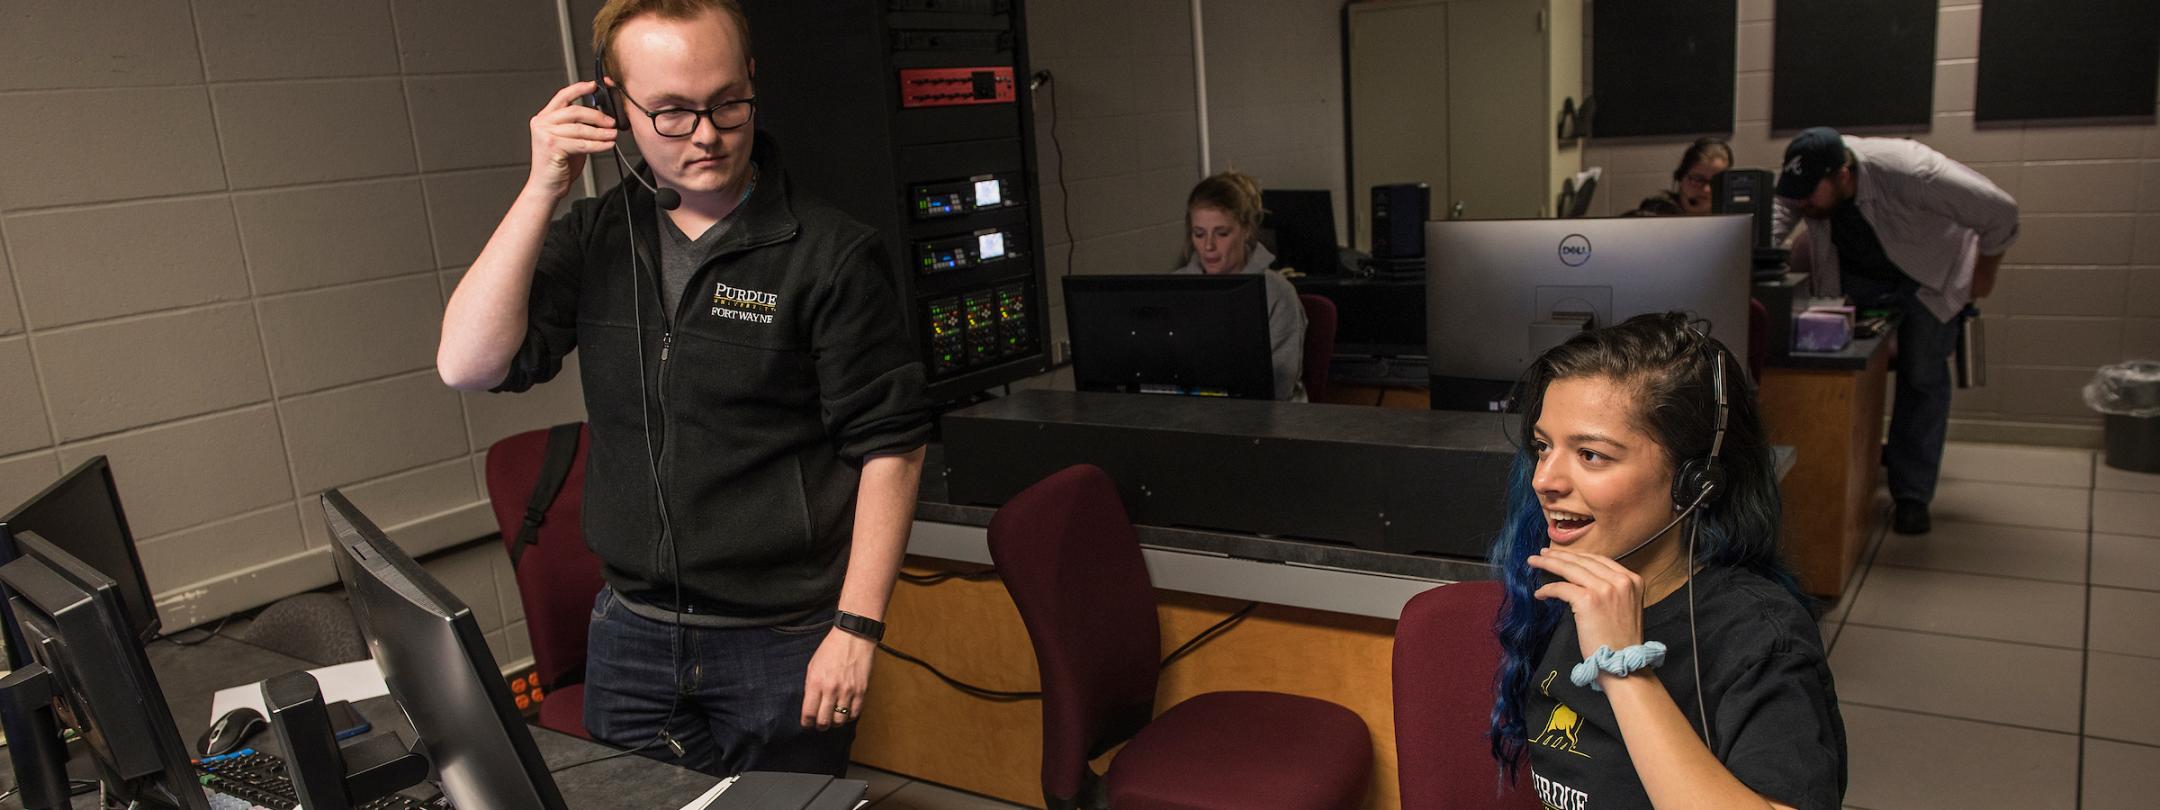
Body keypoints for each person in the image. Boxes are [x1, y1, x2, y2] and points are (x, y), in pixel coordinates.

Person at [435, 0, 930, 777]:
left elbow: (891, 448)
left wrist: (857, 628)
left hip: (781, 637)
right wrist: (542, 190)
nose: (707, 133)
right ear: (612, 105)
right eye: (670, 112)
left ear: (752, 84)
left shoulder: (829, 254)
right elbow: (469, 364)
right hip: (631, 631)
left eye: (728, 102)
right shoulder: (599, 235)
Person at [1485, 313, 1846, 810]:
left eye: (1591, 454)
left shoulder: (1760, 637)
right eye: (1543, 446)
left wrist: (1621, 667)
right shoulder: (1569, 588)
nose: (1544, 479)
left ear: (1694, 482)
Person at [1773, 126, 2019, 534]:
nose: (1801, 202)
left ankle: (1912, 494)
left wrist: (1984, 276)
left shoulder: (1913, 171)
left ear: (1844, 175)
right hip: (1859, 276)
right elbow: (1780, 215)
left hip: (1929, 278)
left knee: (1922, 375)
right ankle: (1852, 479)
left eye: (1809, 194)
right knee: (1846, 370)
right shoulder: (1807, 180)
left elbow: (2002, 211)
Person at [1173, 171, 1308, 401]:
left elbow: (1278, 385)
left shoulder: (1277, 294)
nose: (1208, 246)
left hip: (1265, 420)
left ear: (1246, 231)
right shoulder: (1175, 287)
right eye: (1199, 233)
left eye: (1222, 233)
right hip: (1196, 416)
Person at [1629, 137, 1731, 216]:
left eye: (1716, 182)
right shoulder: (1655, 216)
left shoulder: (1732, 221)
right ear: (1680, 177)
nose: (1706, 189)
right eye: (1698, 179)